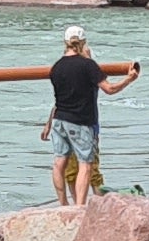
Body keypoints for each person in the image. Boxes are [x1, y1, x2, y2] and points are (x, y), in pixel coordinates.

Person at [38, 25, 113, 206]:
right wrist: (130, 79)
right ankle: (81, 207)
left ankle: (64, 204)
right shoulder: (88, 66)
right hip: (81, 122)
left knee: (60, 164)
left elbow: (59, 100)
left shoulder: (56, 67)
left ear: (65, 43)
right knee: (87, 166)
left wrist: (48, 124)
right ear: (84, 43)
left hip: (60, 120)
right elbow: (108, 88)